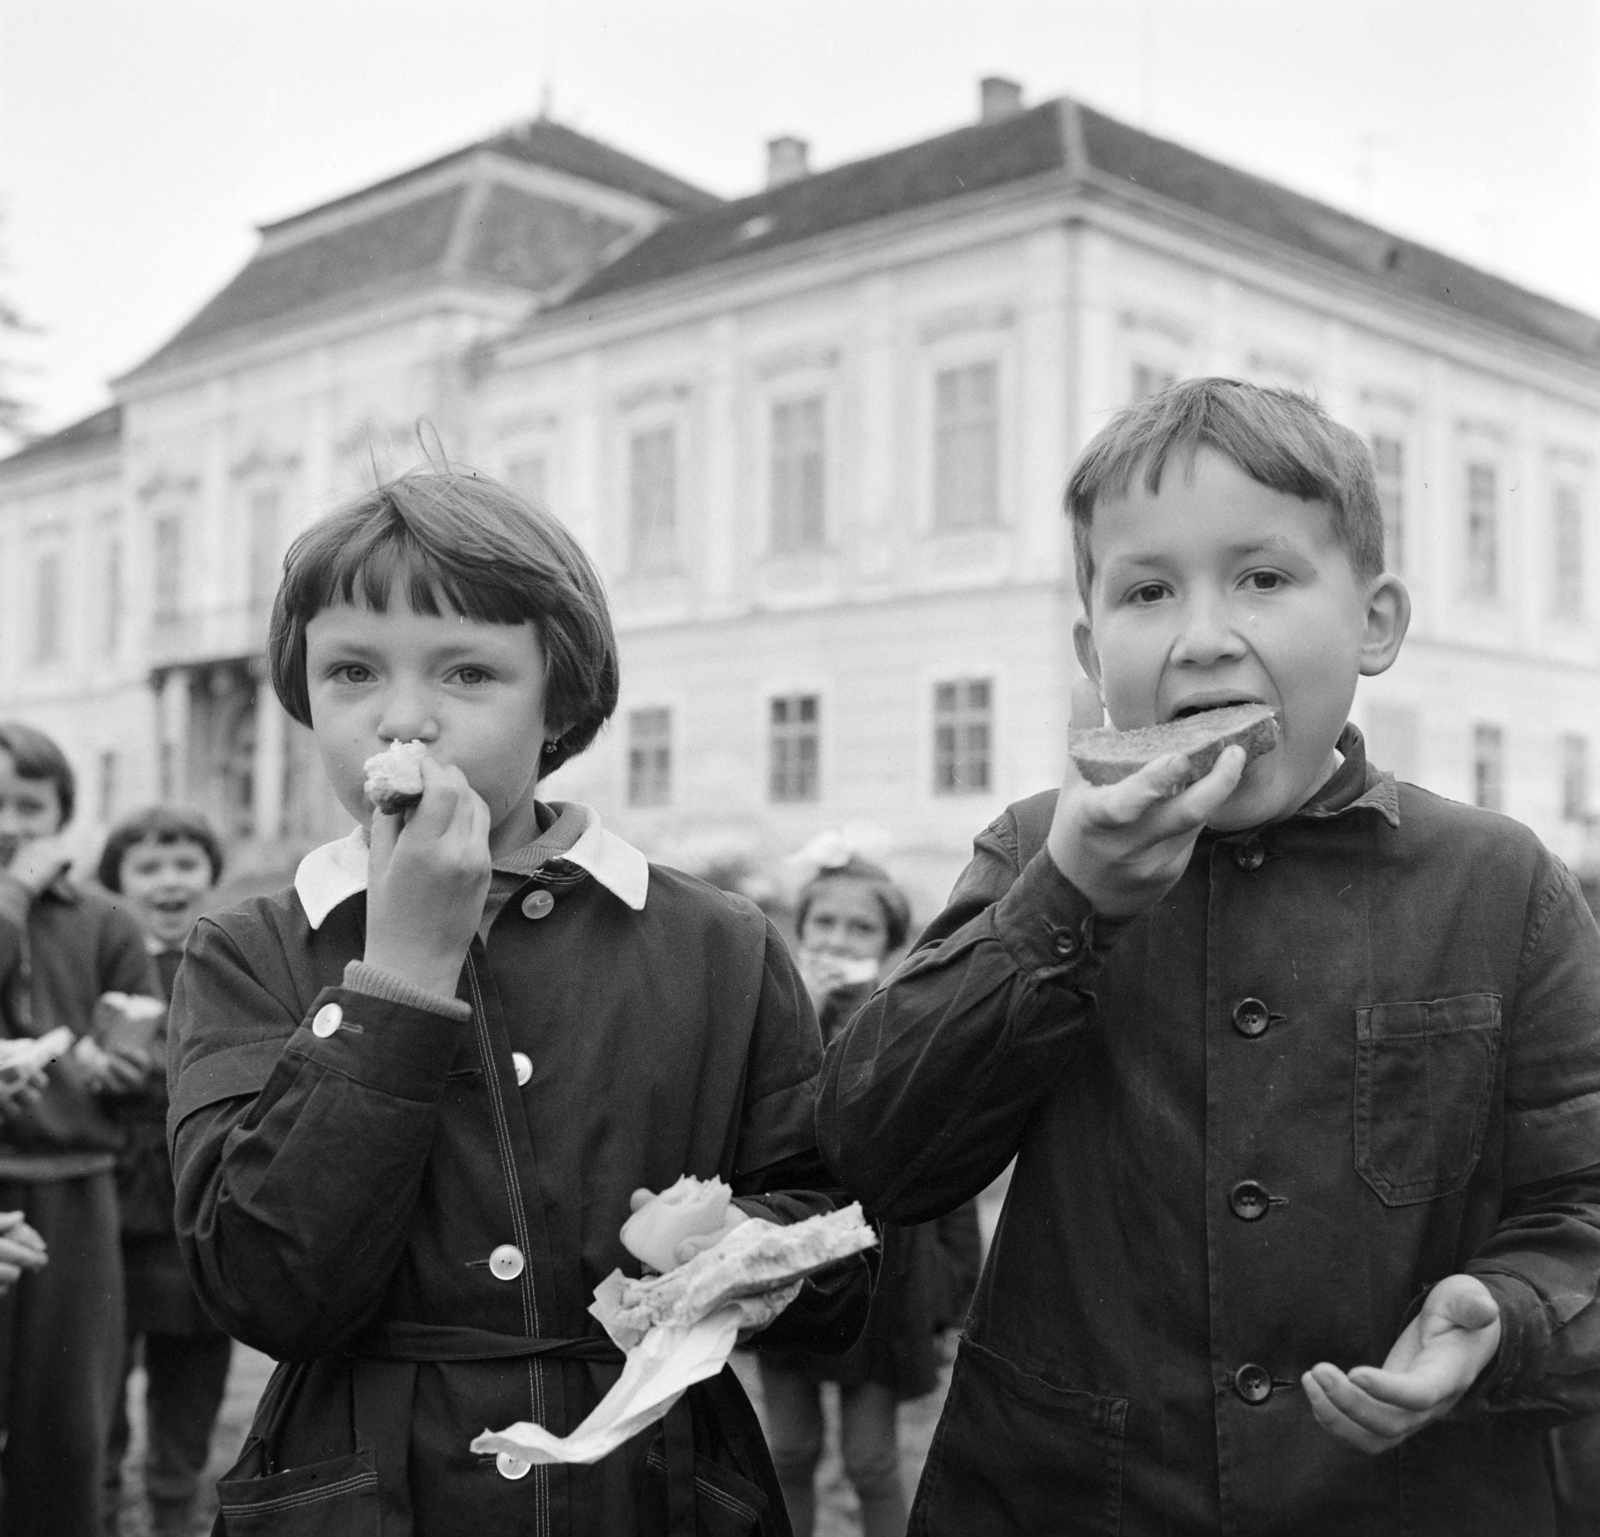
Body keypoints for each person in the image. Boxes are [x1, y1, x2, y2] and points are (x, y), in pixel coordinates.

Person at [816, 378, 1600, 1535]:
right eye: (1145, 591)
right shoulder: (1037, 850)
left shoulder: (1498, 880)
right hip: (1067, 1494)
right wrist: (1060, 910)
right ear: (1092, 651)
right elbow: (874, 1148)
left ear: (1374, 622)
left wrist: (1513, 1309)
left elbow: (1581, 1199)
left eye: (1265, 578)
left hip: (1413, 1495)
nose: (1201, 637)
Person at [167, 470, 872, 1534]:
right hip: (365, 1487)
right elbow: (264, 1286)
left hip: (649, 1484)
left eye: (467, 671)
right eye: (352, 670)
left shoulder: (715, 941)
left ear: (562, 699)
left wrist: (733, 1243)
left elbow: (835, 1254)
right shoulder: (250, 948)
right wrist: (399, 975)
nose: (403, 716)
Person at [760, 851, 980, 1537]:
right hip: (791, 1254)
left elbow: (945, 1152)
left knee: (871, 1460)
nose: (837, 938)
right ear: (800, 930)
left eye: (861, 928)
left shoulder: (908, 1018)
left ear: (888, 944)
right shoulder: (771, 1017)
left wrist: (955, 1287)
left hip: (887, 1268)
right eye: (824, 921)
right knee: (788, 1449)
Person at [0, 721, 162, 1537]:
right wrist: (12, 898)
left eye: (29, 805)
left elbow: (160, 1063)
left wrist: (128, 1072)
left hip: (77, 1189)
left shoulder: (103, 920)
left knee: (66, 1419)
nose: (9, 825)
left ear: (63, 810)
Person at [97, 807, 231, 1537]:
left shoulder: (229, 959)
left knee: (191, 1383)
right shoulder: (103, 958)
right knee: (98, 1386)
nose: (169, 881)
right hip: (115, 1203)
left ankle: (174, 1510)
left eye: (185, 863)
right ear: (119, 882)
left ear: (210, 875)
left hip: (195, 1199)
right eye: (149, 867)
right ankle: (100, 1507)